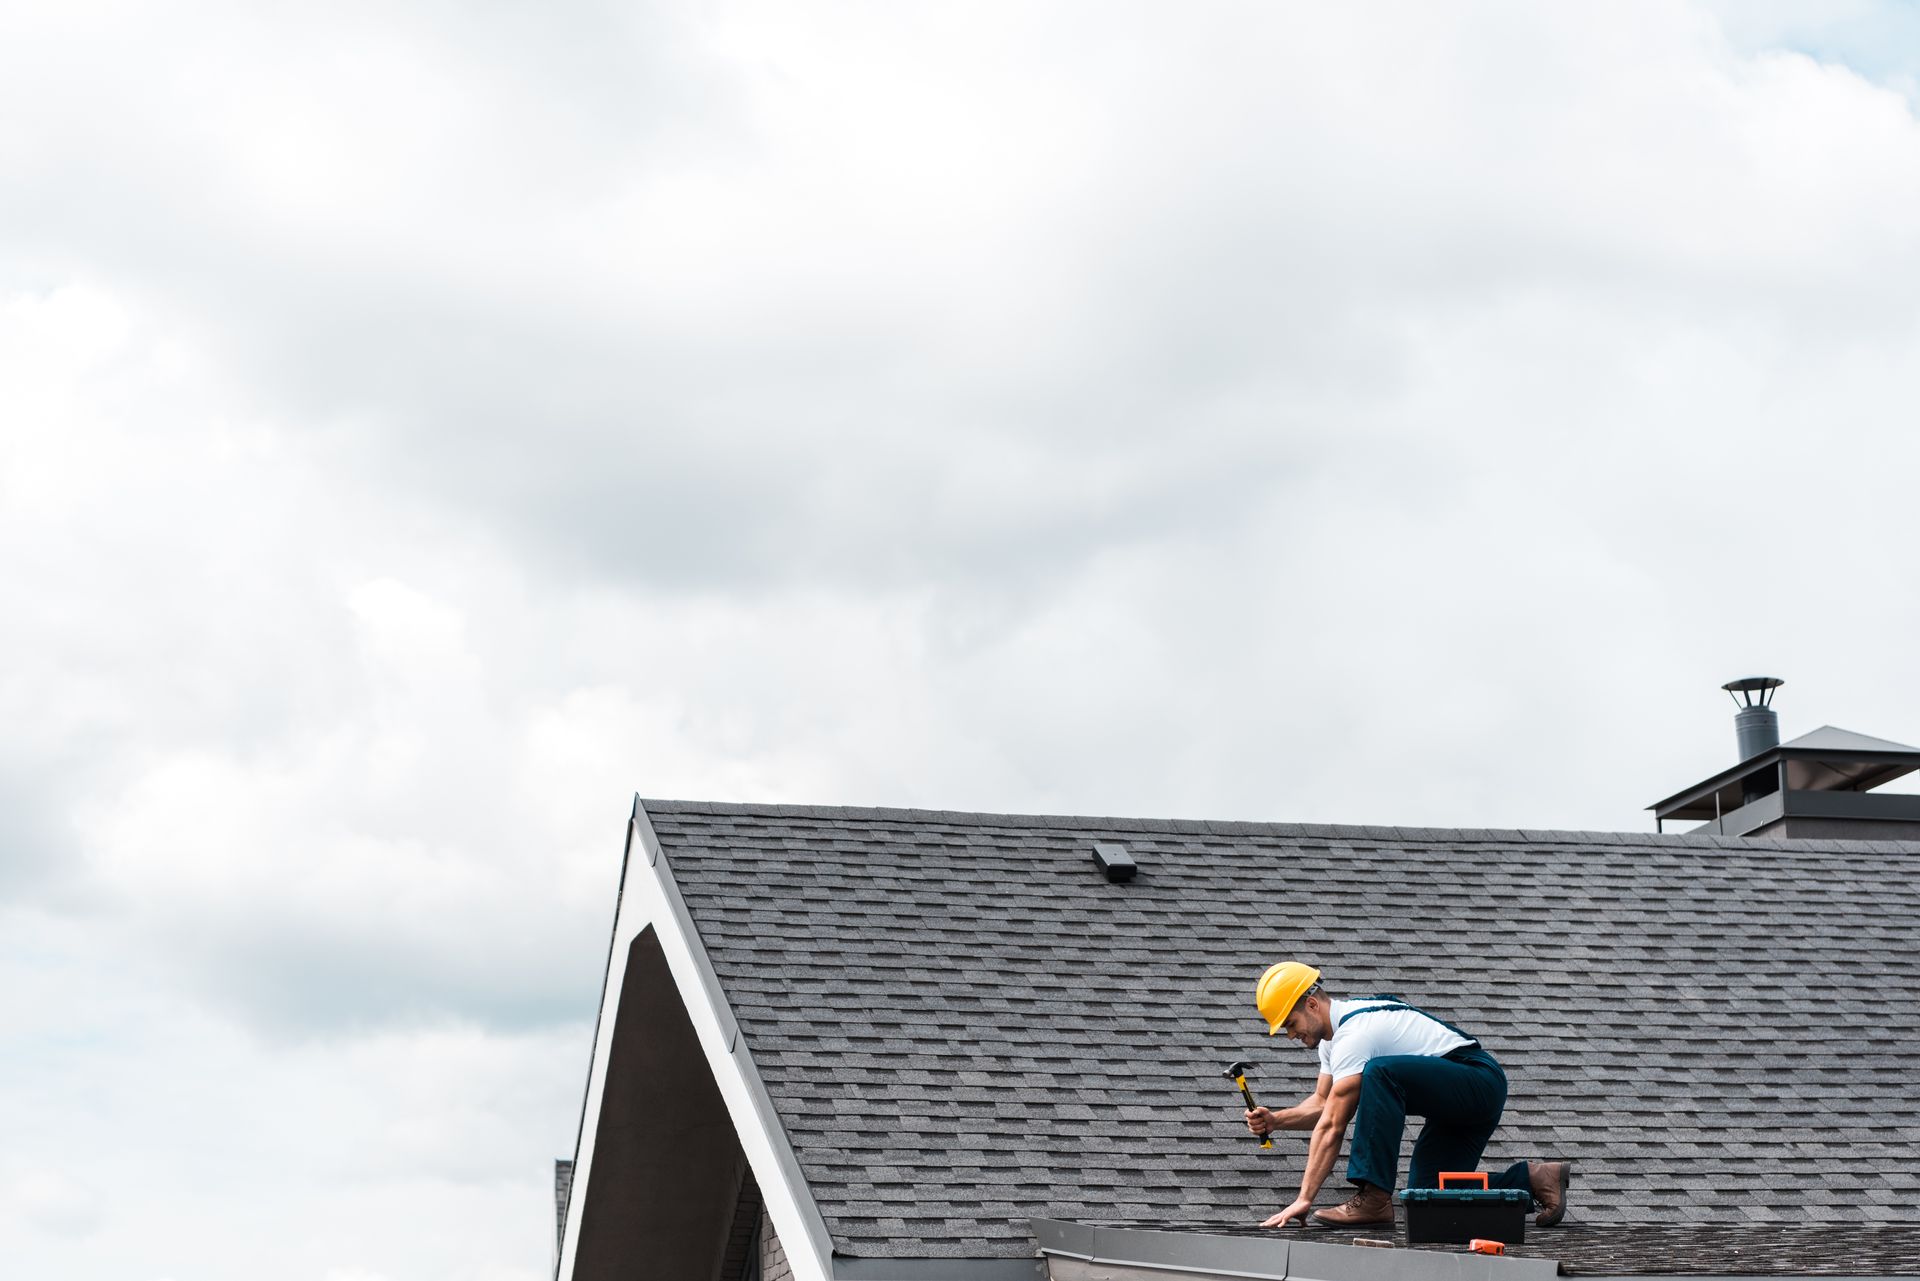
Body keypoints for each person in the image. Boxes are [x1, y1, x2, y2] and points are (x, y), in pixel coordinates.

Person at [1244, 961, 1571, 1230]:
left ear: (1312, 1004)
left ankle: (1373, 1197)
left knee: (1379, 1072)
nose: (1289, 1035)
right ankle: (1533, 1179)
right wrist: (1276, 1120)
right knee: (1425, 1198)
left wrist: (1305, 1198)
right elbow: (1321, 1105)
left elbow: (1332, 1124)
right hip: (1456, 1099)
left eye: (1290, 1023)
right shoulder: (1335, 1041)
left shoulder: (1354, 1035)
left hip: (1477, 1079)